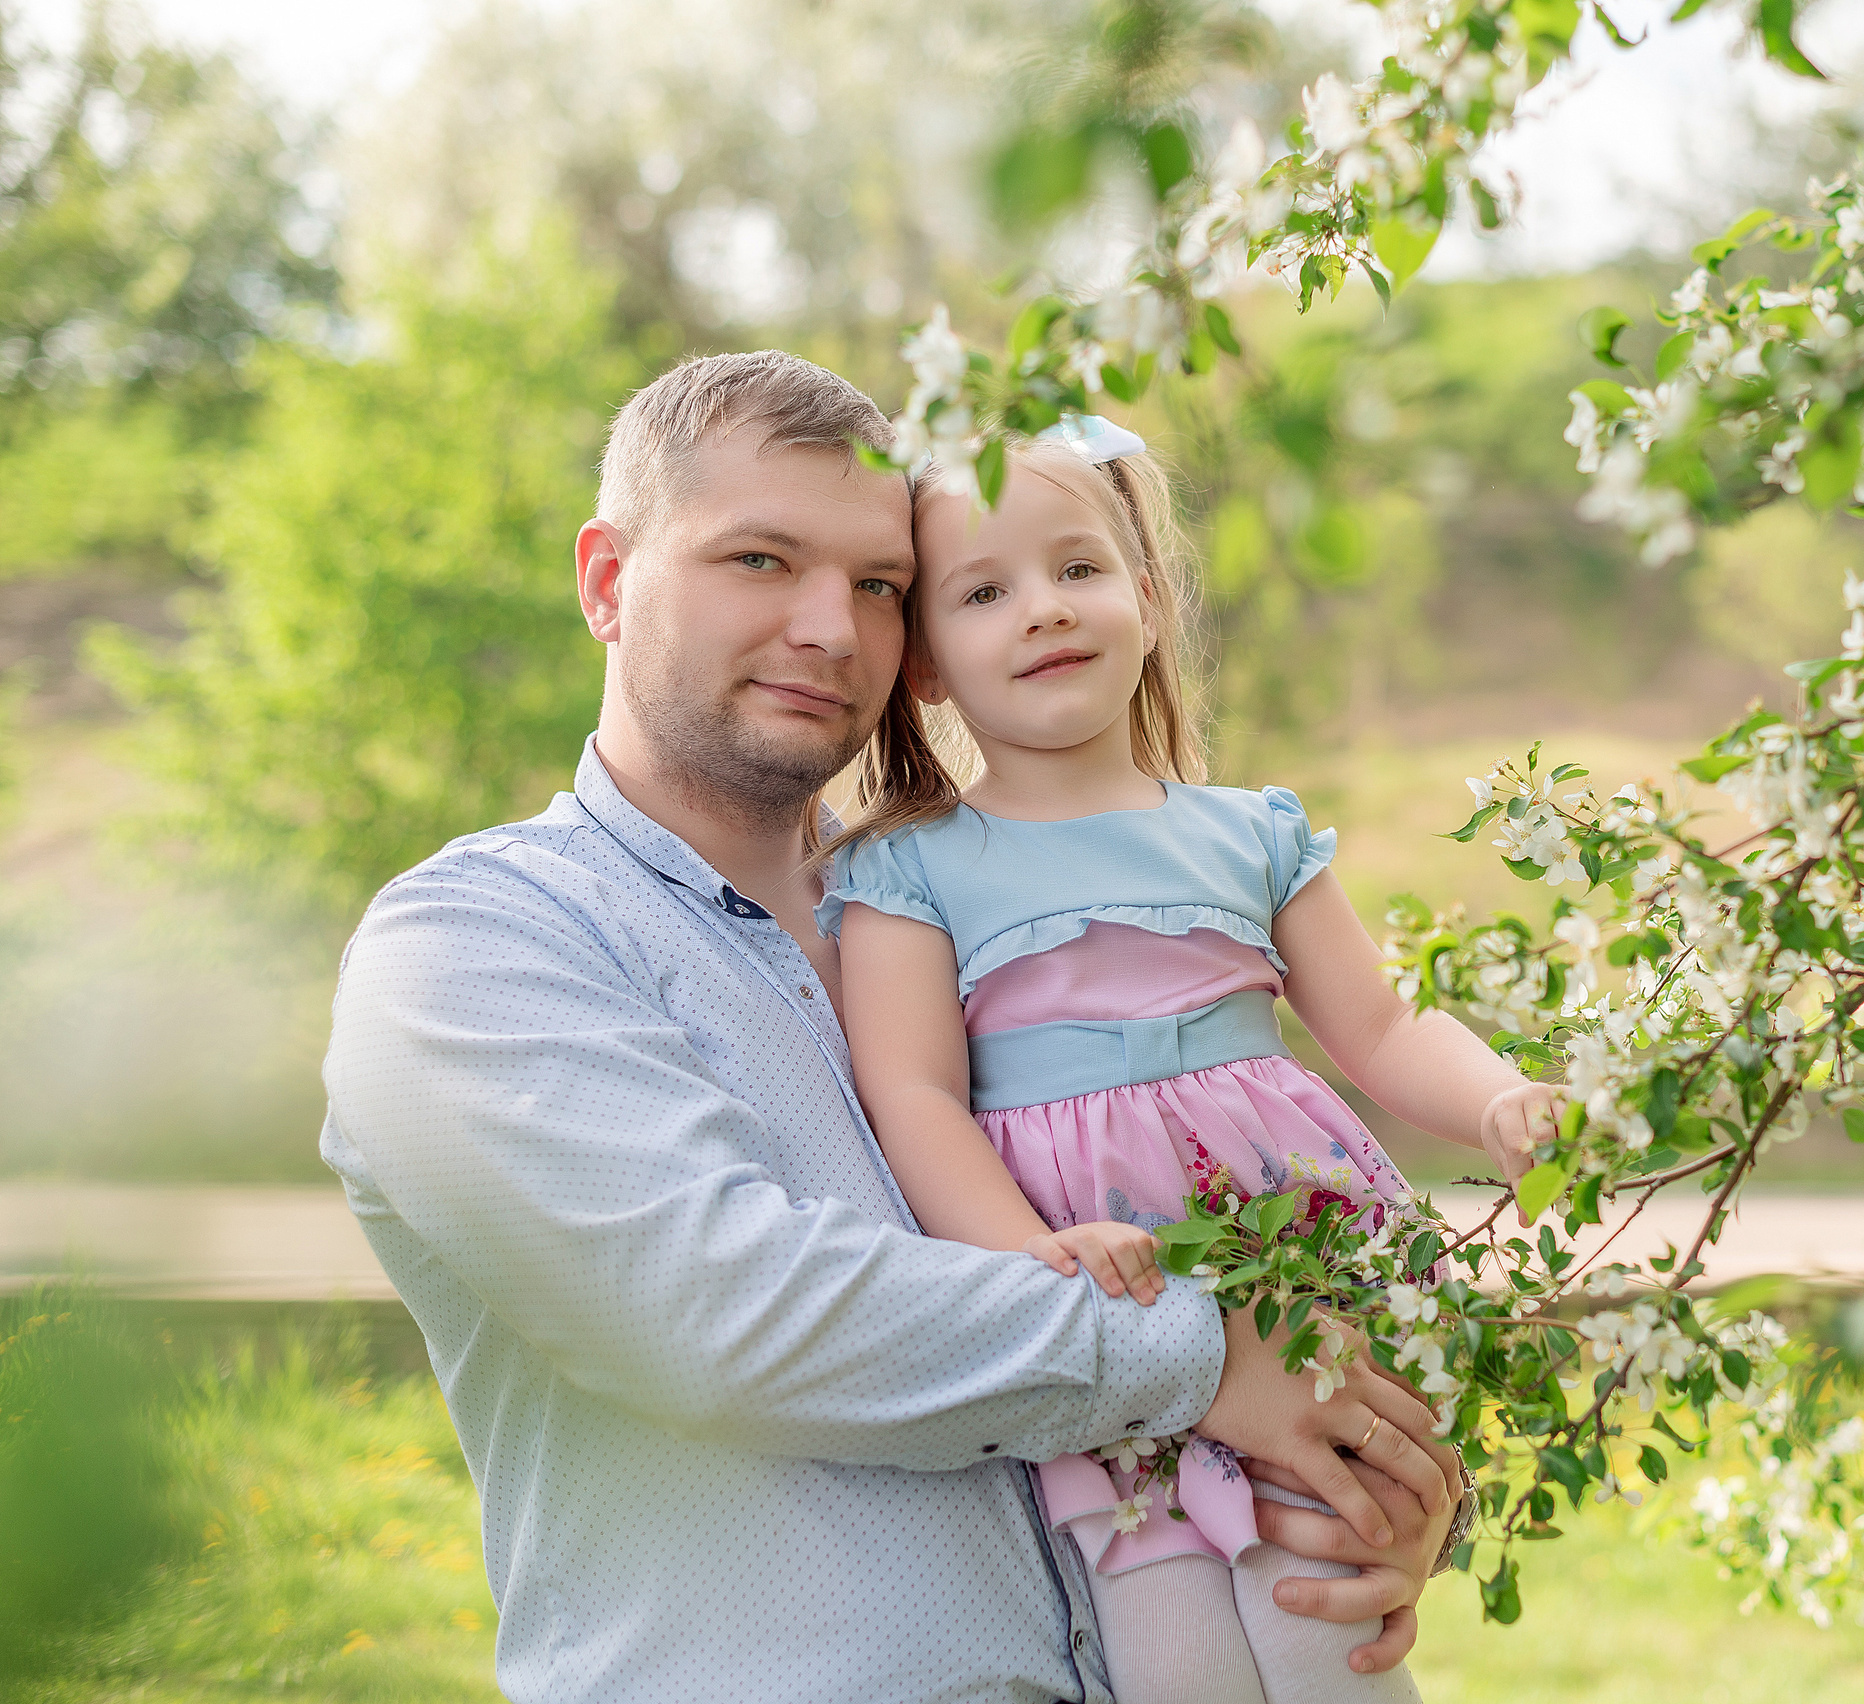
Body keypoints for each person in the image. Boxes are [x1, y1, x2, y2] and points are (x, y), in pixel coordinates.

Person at [318, 350, 1459, 1704]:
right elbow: (722, 1315)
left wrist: (1355, 1486)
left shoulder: (960, 915)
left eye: (878, 586)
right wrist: (1209, 1365)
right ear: (606, 581)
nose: (829, 629)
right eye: (759, 560)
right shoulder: (477, 945)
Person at [823, 419, 1559, 1704]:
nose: (1042, 611)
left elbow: (1379, 1029)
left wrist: (1496, 1095)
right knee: (1171, 1651)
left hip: (1288, 1269)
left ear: (1150, 602)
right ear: (927, 664)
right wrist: (1025, 1255)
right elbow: (914, 1096)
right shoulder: (910, 867)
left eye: (1078, 569)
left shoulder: (1245, 835)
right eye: (985, 592)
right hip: (1108, 1305)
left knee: (1323, 1610)